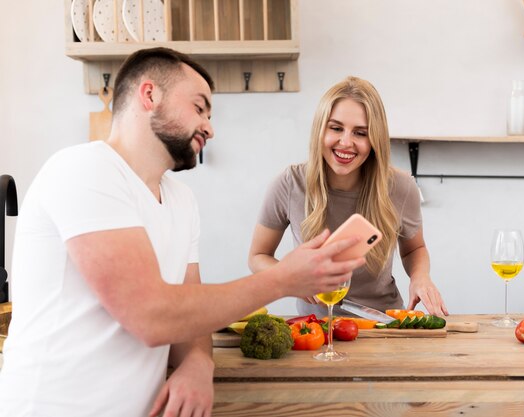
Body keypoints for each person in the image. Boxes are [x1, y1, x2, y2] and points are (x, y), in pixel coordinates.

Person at [0, 48, 365, 417]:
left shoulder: (181, 200)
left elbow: (190, 310)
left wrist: (197, 364)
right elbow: (151, 316)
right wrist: (284, 279)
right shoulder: (85, 169)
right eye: (199, 107)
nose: (210, 126)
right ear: (150, 95)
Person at [248, 76, 448, 319]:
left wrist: (420, 277)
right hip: (318, 327)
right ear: (320, 129)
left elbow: (414, 248)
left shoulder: (401, 187)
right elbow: (258, 257)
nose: (346, 142)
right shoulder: (290, 183)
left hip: (382, 325)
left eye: (360, 133)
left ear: (375, 139)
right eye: (336, 128)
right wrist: (290, 278)